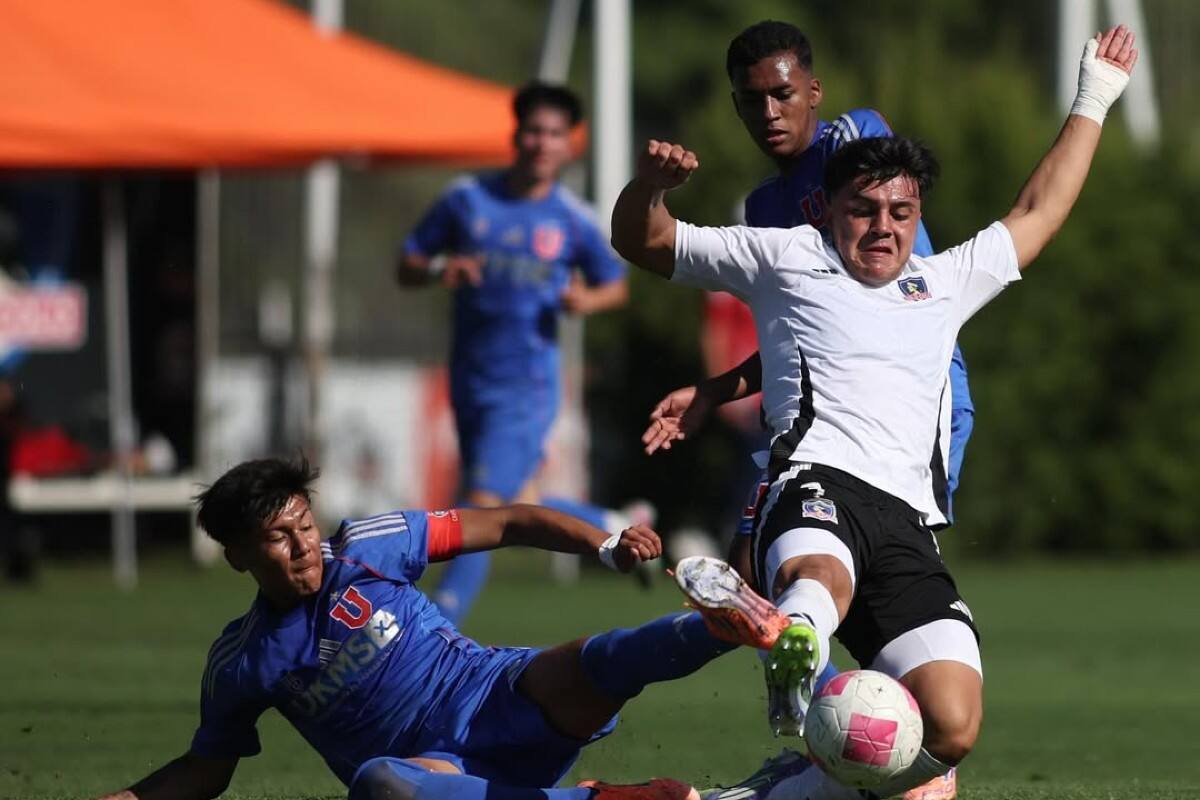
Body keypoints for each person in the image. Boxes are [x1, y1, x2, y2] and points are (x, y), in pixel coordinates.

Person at [612, 25, 1136, 800]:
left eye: (900, 211)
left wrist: (1094, 96)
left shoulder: (943, 281)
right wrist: (649, 186)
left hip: (904, 521)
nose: (883, 226)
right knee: (820, 574)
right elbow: (644, 241)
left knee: (950, 730)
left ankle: (777, 773)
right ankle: (793, 631)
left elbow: (1040, 207)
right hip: (815, 486)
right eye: (863, 210)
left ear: (917, 213)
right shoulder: (783, 253)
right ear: (832, 212)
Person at [94, 456, 794, 800]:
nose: (302, 543)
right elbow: (205, 771)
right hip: (444, 775)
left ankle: (734, 624)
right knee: (379, 786)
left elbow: (508, 521)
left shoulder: (367, 544)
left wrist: (602, 545)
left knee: (599, 659)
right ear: (238, 557)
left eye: (302, 524)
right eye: (277, 538)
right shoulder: (243, 663)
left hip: (499, 695)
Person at [398, 81, 645, 624]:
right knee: (509, 500)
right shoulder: (467, 200)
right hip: (470, 378)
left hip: (527, 386)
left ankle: (435, 622)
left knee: (482, 505)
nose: (542, 142)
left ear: (568, 145)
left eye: (554, 133)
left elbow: (617, 285)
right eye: (534, 130)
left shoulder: (573, 219)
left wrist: (585, 299)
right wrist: (443, 268)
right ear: (516, 134)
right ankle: (619, 530)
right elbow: (407, 262)